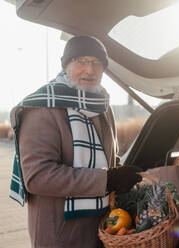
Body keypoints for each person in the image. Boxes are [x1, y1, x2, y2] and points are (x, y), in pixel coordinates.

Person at [9, 36, 142, 248]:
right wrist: (107, 180)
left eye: (96, 63)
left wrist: (123, 177)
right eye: (81, 60)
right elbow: (37, 176)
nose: (89, 70)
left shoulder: (102, 106)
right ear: (66, 64)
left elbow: (110, 158)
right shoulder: (43, 108)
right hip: (60, 233)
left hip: (104, 228)